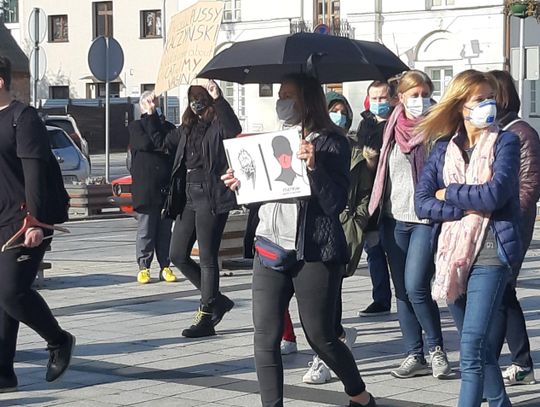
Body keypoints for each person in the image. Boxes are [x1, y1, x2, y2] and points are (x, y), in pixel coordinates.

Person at [222, 74, 376, 407]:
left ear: (307, 100)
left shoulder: (333, 142)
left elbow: (336, 203)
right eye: (280, 95)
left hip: (315, 251)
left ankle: (359, 395)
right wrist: (241, 185)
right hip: (270, 246)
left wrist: (314, 165)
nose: (282, 101)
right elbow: (262, 196)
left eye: (288, 95)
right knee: (265, 337)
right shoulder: (273, 140)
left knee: (321, 336)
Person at [415, 69, 520, 407]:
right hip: (452, 256)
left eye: (491, 98)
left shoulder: (506, 141)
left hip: (492, 249)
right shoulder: (443, 148)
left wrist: (451, 193)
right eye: (479, 99)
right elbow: (422, 202)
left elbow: (494, 195)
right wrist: (460, 208)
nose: (488, 104)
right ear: (461, 105)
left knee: (472, 346)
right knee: (479, 346)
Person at [368, 70, 451, 379]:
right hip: (393, 218)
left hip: (424, 219)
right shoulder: (390, 127)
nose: (419, 100)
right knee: (401, 290)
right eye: (412, 95)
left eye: (423, 93)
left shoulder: (437, 128)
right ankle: (413, 353)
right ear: (398, 98)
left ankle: (437, 349)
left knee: (417, 285)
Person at [0, 56, 75, 392]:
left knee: (12, 292)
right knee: (2, 298)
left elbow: (34, 174)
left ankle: (58, 340)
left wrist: (34, 220)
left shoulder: (23, 118)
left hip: (26, 221)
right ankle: (3, 373)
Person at [163, 80, 241, 338]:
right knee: (177, 254)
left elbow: (234, 129)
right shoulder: (188, 125)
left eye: (201, 97)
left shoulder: (218, 123)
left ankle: (206, 315)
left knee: (207, 258)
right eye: (192, 98)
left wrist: (219, 98)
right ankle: (217, 299)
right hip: (188, 193)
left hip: (212, 193)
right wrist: (150, 115)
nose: (196, 103)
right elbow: (162, 141)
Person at [488, 70, 539, 386]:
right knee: (503, 293)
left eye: (486, 96)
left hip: (512, 226)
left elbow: (530, 184)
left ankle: (491, 363)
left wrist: (505, 215)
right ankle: (521, 362)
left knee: (499, 291)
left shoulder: (521, 132)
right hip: (492, 223)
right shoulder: (496, 130)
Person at [354, 81, 394, 317]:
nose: (379, 102)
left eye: (383, 98)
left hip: (391, 192)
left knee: (395, 249)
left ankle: (410, 295)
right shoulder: (365, 123)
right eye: (375, 98)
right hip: (370, 194)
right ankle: (381, 297)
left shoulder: (395, 124)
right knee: (374, 249)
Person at [128, 91, 177, 284]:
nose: (152, 105)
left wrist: (155, 120)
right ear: (141, 106)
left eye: (154, 102)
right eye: (148, 102)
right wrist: (150, 117)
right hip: (146, 188)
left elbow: (166, 144)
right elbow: (147, 143)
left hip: (166, 187)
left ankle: (165, 266)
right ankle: (144, 267)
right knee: (146, 230)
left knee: (165, 231)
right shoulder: (135, 126)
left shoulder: (167, 127)